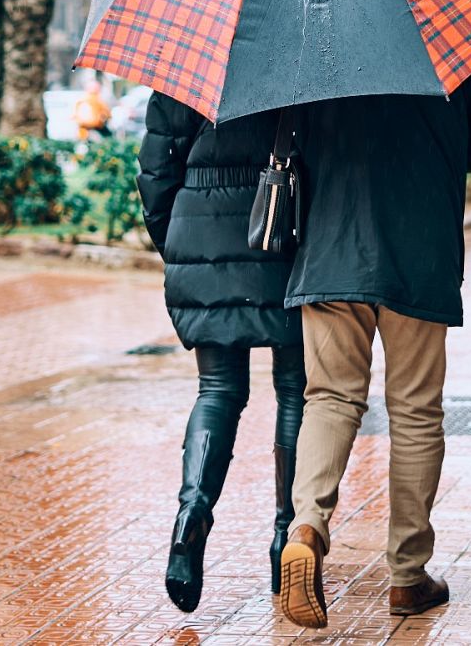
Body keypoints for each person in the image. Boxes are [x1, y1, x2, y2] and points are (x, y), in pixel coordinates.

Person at [276, 59, 471, 629]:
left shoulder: (316, 35)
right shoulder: (461, 35)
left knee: (329, 398)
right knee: (415, 412)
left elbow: (287, 139)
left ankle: (306, 527)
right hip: (419, 250)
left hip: (332, 248)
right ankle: (408, 576)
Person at [137, 93, 305, 613]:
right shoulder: (304, 56)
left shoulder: (190, 54)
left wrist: (181, 242)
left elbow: (155, 170)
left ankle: (192, 514)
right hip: (283, 234)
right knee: (296, 392)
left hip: (198, 227)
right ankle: (286, 538)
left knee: (218, 390)